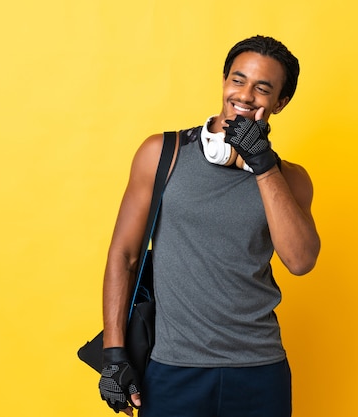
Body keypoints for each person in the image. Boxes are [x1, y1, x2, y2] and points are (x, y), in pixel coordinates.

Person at [98, 35, 320, 417]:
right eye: (238, 80)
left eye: (262, 88)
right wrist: (114, 354)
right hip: (173, 368)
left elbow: (300, 261)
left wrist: (263, 164)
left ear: (280, 103)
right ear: (224, 82)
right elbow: (125, 255)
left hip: (259, 369)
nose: (246, 95)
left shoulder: (291, 180)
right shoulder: (162, 155)